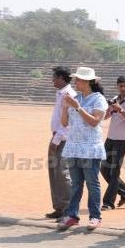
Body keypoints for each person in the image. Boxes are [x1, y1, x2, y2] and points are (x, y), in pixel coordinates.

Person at [58, 67, 108, 231]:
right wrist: (65, 107)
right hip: (74, 146)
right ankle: (72, 216)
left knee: (92, 183)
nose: (75, 82)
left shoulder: (98, 99)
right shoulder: (75, 98)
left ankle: (95, 216)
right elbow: (64, 123)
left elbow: (94, 122)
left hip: (90, 148)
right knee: (76, 184)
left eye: (78, 79)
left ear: (88, 82)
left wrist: (78, 108)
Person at [100, 76, 125, 210]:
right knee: (104, 169)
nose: (123, 88)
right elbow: (105, 117)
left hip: (122, 140)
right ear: (117, 87)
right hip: (110, 138)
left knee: (114, 171)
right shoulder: (115, 99)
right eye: (120, 86)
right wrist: (109, 109)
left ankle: (108, 202)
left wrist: (120, 110)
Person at [45, 66, 77, 220]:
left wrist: (56, 140)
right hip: (56, 137)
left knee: (63, 174)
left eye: (55, 77)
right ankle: (59, 206)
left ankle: (68, 209)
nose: (52, 80)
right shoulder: (60, 93)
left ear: (62, 78)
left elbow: (68, 123)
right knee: (54, 172)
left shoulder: (69, 95)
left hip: (63, 139)